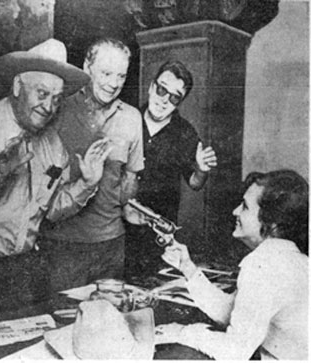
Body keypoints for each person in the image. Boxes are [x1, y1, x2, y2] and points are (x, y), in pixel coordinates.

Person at [0, 38, 110, 323]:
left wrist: (87, 183)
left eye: (57, 99)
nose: (49, 107)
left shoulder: (53, 143)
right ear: (17, 86)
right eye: (42, 93)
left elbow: (52, 210)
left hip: (24, 270)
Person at [156, 169, 308, 360]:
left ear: (273, 223)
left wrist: (183, 333)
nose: (234, 211)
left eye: (244, 207)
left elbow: (234, 352)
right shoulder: (291, 259)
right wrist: (188, 267)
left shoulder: (265, 264)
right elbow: (234, 312)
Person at [39, 38, 144, 293]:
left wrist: (129, 207)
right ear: (87, 66)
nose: (114, 83)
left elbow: (130, 177)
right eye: (106, 73)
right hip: (63, 243)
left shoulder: (131, 117)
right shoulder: (59, 108)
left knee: (108, 323)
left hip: (111, 243)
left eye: (121, 75)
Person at [124, 60, 218, 278]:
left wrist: (202, 170)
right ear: (150, 87)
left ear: (180, 102)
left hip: (156, 235)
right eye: (161, 89)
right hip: (116, 228)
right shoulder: (125, 119)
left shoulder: (185, 133)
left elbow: (194, 183)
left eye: (174, 97)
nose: (164, 100)